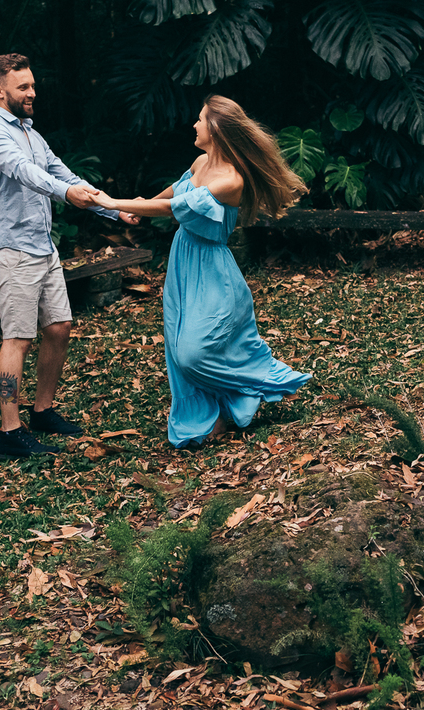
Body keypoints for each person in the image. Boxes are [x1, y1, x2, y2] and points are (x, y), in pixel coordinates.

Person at [91, 95, 311, 448]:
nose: (193, 125)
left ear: (216, 128)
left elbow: (175, 206)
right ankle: (212, 413)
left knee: (192, 352)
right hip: (182, 263)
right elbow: (172, 193)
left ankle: (253, 387)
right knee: (178, 345)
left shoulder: (231, 180)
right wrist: (137, 210)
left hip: (213, 269)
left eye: (199, 119)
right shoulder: (200, 162)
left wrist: (112, 201)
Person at [0, 53, 140, 459]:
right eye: (23, 87)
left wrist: (112, 208)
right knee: (18, 339)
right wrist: (66, 194)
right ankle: (10, 431)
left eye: (33, 85)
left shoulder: (31, 132)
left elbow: (63, 173)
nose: (33, 93)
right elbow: (24, 173)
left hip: (42, 247)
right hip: (11, 250)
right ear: (0, 91)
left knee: (60, 327)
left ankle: (43, 410)